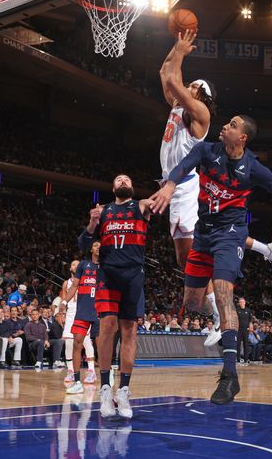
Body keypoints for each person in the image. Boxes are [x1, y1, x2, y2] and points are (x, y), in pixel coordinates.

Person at [150, 115, 272, 404]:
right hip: (203, 232)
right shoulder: (206, 151)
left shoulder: (252, 167)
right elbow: (181, 166)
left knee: (225, 293)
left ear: (242, 138)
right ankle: (259, 260)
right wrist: (169, 185)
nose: (226, 125)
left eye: (234, 124)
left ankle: (230, 376)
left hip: (230, 234)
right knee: (191, 302)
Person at [158, 30, 272, 348]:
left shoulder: (199, 114)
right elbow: (165, 73)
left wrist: (180, 52)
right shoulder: (178, 105)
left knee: (194, 253)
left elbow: (174, 80)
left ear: (201, 96)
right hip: (173, 187)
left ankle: (218, 315)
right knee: (182, 258)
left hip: (187, 187)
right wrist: (175, 51)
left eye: (193, 87)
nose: (186, 86)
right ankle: (267, 249)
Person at [78, 174, 154, 419]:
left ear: (132, 187)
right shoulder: (103, 211)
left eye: (127, 179)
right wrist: (92, 223)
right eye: (119, 179)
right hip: (108, 273)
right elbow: (83, 243)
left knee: (130, 330)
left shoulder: (141, 205)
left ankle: (124, 390)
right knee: (107, 327)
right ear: (113, 187)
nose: (123, 181)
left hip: (133, 274)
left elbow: (162, 202)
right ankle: (104, 388)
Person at [63, 241, 101, 394]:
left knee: (102, 346)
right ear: (91, 248)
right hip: (83, 310)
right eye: (96, 245)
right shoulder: (83, 265)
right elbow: (74, 286)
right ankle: (77, 381)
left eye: (101, 245)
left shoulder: (107, 266)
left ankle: (106, 379)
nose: (98, 247)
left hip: (100, 310)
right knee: (76, 343)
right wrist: (64, 301)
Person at [61, 260, 93, 386]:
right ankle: (70, 370)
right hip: (70, 313)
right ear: (70, 268)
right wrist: (61, 313)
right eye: (73, 264)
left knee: (86, 341)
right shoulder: (66, 283)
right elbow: (64, 299)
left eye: (78, 264)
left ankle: (91, 371)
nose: (76, 266)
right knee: (69, 342)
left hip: (83, 310)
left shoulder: (86, 280)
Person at [235, 298, 252, 364]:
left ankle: (246, 359)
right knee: (238, 345)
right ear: (239, 303)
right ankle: (238, 359)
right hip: (239, 329)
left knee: (246, 344)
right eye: (240, 302)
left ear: (245, 303)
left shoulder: (248, 310)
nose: (241, 303)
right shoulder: (237, 310)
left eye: (243, 302)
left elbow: (250, 320)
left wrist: (250, 326)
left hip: (246, 329)